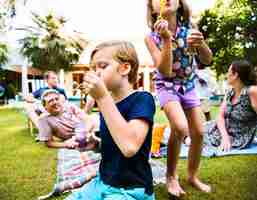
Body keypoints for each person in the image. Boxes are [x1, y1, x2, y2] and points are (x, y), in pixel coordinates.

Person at [65, 41, 156, 200]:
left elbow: (129, 147)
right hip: (103, 182)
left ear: (125, 68)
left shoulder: (142, 99)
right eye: (93, 69)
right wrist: (96, 145)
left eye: (102, 66)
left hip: (131, 189)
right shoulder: (108, 103)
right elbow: (115, 144)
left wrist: (101, 97)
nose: (96, 73)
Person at [145, 0, 213, 196]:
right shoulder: (151, 38)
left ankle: (192, 175)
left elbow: (208, 60)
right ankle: (171, 176)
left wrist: (202, 44)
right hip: (167, 86)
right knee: (181, 127)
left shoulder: (190, 29)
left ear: (180, 4)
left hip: (189, 85)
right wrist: (166, 39)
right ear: (153, 9)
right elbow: (165, 71)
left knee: (199, 132)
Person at [205, 60, 257, 151]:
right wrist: (225, 137)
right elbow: (220, 116)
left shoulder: (252, 91)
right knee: (193, 130)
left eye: (228, 72)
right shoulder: (230, 91)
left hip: (238, 137)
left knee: (194, 139)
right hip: (222, 131)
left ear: (235, 75)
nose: (226, 75)